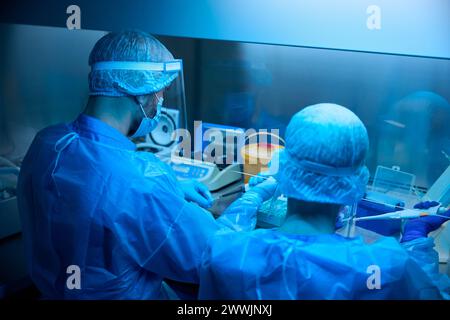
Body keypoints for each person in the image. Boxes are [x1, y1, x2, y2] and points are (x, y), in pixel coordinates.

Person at [17, 30, 269, 299]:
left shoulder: (47, 142)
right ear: (139, 89)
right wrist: (256, 195)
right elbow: (214, 255)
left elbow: (90, 196)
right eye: (161, 92)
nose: (160, 101)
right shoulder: (141, 182)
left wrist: (171, 189)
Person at [199, 103, 450, 299]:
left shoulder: (225, 251)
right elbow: (430, 293)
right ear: (357, 182)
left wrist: (254, 195)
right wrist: (417, 241)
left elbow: (224, 237)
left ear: (283, 170)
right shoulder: (385, 264)